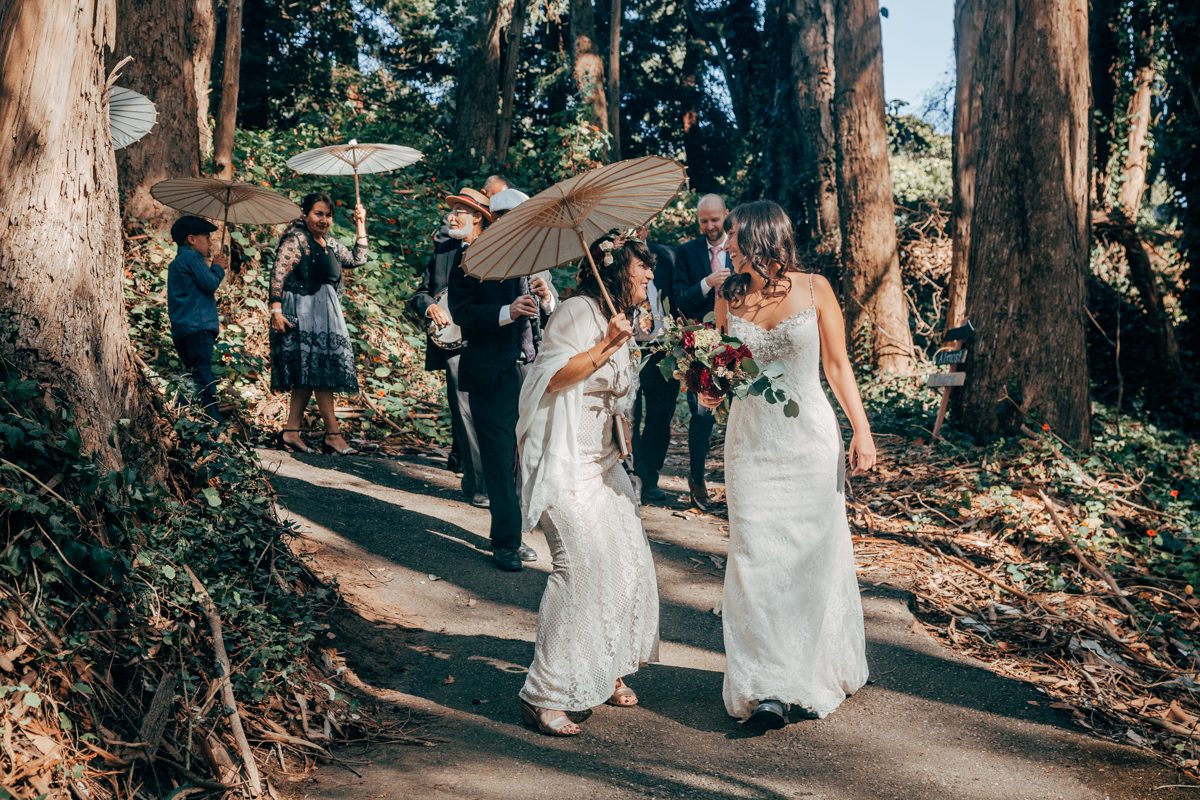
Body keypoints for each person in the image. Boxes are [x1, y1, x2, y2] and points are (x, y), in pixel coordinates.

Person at [703, 200, 873, 728]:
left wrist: (861, 431)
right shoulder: (728, 297)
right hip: (750, 441)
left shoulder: (814, 288)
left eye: (732, 237)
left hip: (808, 440)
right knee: (754, 554)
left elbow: (838, 367)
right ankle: (766, 685)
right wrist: (710, 388)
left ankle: (808, 666)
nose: (726, 246)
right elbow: (726, 372)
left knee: (810, 554)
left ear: (759, 237)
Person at [515, 231, 660, 736]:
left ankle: (603, 668)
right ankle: (543, 693)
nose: (649, 277)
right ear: (621, 266)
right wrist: (609, 344)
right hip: (565, 460)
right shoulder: (577, 311)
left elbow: (617, 394)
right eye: (644, 267)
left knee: (627, 561)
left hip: (605, 463)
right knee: (577, 567)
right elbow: (550, 378)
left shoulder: (619, 318)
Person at [447, 188, 555, 572]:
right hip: (490, 371)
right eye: (507, 215)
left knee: (525, 458)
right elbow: (462, 312)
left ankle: (514, 532)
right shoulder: (469, 257)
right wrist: (507, 311)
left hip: (530, 370)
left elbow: (550, 313)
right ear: (493, 217)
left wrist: (545, 300)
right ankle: (506, 542)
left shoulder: (533, 259)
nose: (515, 222)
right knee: (497, 458)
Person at [269, 192, 369, 455]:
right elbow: (278, 272)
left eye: (328, 215)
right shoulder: (297, 239)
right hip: (302, 310)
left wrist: (361, 224)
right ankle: (333, 436)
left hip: (325, 314)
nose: (324, 219)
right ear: (305, 214)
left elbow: (358, 259)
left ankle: (291, 432)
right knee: (319, 372)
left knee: (310, 374)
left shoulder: (328, 243)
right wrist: (276, 310)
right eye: (318, 213)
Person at [411, 214, 488, 508]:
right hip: (455, 347)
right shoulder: (443, 253)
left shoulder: (494, 247)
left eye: (459, 210)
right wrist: (430, 306)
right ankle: (480, 484)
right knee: (465, 415)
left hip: (490, 342)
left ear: (477, 217)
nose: (450, 217)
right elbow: (420, 293)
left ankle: (477, 479)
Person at [671, 194, 731, 511]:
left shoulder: (741, 248)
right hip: (701, 345)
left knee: (743, 412)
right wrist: (707, 282)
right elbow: (679, 298)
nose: (709, 226)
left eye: (715, 220)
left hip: (737, 343)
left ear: (726, 215)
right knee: (701, 416)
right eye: (703, 221)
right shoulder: (686, 252)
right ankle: (697, 481)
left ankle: (740, 482)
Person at [631, 226, 680, 504]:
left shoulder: (667, 256)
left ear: (647, 226)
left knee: (661, 416)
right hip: (631, 345)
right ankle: (636, 477)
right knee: (631, 413)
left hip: (663, 348)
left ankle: (651, 475)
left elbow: (678, 296)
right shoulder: (614, 257)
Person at [167, 215, 229, 422]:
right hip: (198, 327)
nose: (210, 242)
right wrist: (218, 266)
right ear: (191, 239)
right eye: (207, 237)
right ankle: (213, 424)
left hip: (183, 329)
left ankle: (186, 420)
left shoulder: (176, 263)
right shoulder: (192, 258)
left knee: (193, 376)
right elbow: (210, 283)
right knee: (202, 377)